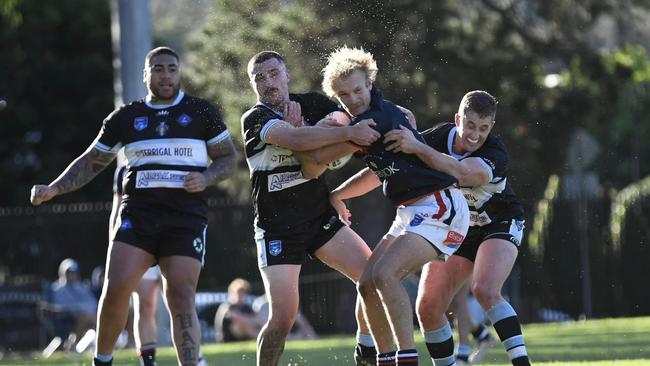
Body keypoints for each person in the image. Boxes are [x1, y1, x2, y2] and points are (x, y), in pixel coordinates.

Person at [31, 46, 238, 366]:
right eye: (158, 69)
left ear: (179, 72)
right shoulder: (126, 117)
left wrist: (207, 176)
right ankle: (102, 360)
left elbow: (228, 158)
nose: (165, 75)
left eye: (171, 68)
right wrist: (55, 188)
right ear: (146, 74)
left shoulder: (202, 112)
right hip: (138, 215)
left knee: (181, 296)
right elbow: (93, 161)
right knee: (115, 290)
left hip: (185, 217)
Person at [322, 46, 469, 366]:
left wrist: (311, 134)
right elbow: (376, 174)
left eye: (359, 90)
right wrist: (338, 194)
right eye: (344, 95)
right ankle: (385, 359)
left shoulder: (373, 121)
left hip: (440, 205)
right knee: (367, 284)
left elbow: (324, 152)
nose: (353, 99)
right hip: (411, 212)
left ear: (370, 84)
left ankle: (406, 359)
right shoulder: (375, 117)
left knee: (386, 275)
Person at [241, 50, 383, 366]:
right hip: (277, 227)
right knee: (283, 317)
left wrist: (336, 129)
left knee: (373, 278)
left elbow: (345, 118)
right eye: (259, 78)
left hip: (319, 218)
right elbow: (297, 140)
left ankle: (366, 349)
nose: (269, 83)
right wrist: (341, 134)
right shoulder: (255, 118)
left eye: (274, 73)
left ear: (287, 74)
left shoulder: (314, 103)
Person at [382, 90, 531, 365]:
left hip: (497, 222)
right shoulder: (439, 137)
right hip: (457, 228)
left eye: (484, 128)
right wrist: (341, 194)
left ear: (492, 127)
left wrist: (418, 147)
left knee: (485, 289)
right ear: (457, 119)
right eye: (470, 125)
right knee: (428, 306)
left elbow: (463, 173)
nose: (475, 135)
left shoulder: (495, 152)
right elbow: (393, 165)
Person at [49, 258, 98, 343]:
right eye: (69, 273)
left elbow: (93, 303)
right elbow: (60, 307)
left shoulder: (82, 287)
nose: (71, 275)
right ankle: (75, 344)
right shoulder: (57, 289)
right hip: (67, 318)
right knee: (85, 317)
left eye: (73, 273)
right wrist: (77, 308)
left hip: (88, 315)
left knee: (95, 317)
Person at [214, 278, 263, 342]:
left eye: (243, 292)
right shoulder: (226, 306)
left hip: (243, 335)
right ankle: (261, 339)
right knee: (240, 325)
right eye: (239, 292)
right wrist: (251, 320)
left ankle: (261, 338)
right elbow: (238, 318)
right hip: (228, 337)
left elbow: (258, 320)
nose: (241, 295)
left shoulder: (246, 307)